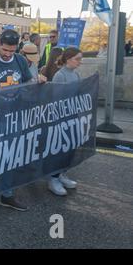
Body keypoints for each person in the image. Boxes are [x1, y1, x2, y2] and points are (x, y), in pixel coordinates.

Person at [0, 29, 47, 220]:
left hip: (14, 117)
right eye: (5, 49)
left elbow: (27, 82)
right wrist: (2, 92)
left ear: (17, 47)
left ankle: (6, 196)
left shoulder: (20, 61)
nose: (8, 53)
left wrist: (38, 80)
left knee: (10, 156)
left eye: (11, 50)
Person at [48, 47, 81, 196]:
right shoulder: (59, 75)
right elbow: (56, 100)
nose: (80, 62)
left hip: (73, 118)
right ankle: (53, 178)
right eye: (77, 59)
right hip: (62, 120)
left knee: (70, 149)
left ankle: (62, 174)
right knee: (60, 150)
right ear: (68, 59)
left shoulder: (76, 74)